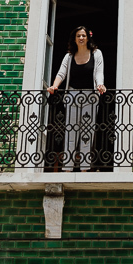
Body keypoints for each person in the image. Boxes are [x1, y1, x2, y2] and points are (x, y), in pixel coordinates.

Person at [47, 26, 106, 171]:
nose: (81, 38)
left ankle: (84, 169)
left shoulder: (96, 54)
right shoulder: (69, 56)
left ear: (88, 38)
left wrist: (100, 85)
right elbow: (61, 73)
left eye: (83, 36)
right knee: (70, 131)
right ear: (74, 38)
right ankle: (67, 168)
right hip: (73, 96)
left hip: (90, 97)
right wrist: (54, 87)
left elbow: (99, 73)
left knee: (87, 132)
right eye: (78, 36)